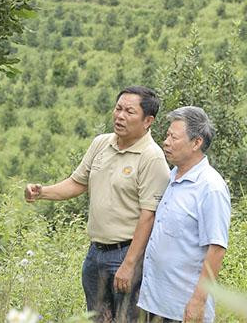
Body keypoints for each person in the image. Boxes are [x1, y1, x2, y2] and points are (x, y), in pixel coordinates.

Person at [25, 86, 171, 322]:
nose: (120, 116)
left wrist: (129, 265)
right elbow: (77, 182)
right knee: (97, 318)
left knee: (127, 319)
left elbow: (149, 216)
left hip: (126, 253)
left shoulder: (151, 157)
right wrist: (41, 192)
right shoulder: (101, 144)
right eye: (118, 109)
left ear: (148, 121)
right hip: (96, 254)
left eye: (129, 112)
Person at [138, 106, 231, 323]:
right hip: (156, 302)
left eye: (173, 137)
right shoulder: (173, 177)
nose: (166, 142)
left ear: (196, 142)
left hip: (183, 308)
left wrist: (198, 302)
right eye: (167, 135)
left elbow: (216, 249)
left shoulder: (210, 187)